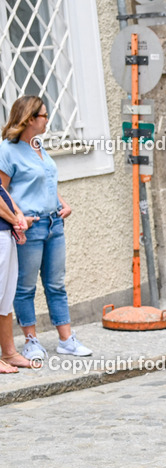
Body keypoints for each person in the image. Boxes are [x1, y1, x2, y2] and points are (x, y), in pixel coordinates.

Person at [0, 96, 91, 361]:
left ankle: (66, 340)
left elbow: (46, 180)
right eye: (44, 115)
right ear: (30, 119)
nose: (48, 120)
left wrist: (62, 203)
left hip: (54, 223)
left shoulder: (38, 145)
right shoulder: (7, 150)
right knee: (25, 286)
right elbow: (2, 191)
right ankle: (30, 341)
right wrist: (18, 217)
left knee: (56, 284)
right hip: (30, 226)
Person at [0, 184, 31, 374]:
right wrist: (15, 220)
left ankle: (9, 353)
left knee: (5, 296)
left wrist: (18, 213)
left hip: (5, 231)